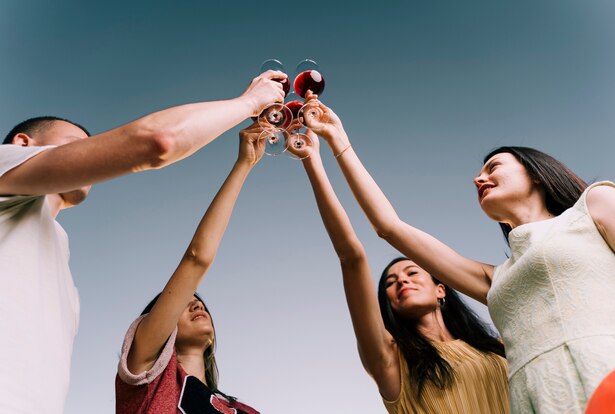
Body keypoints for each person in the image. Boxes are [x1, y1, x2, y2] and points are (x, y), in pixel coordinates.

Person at [300, 95, 615, 413]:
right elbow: (389, 227)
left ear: (535, 173)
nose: (478, 178)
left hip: (609, 378)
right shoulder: (497, 280)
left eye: (493, 167)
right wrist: (338, 142)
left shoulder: (593, 206)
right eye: (478, 174)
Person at [0, 72, 285, 414]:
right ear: (22, 144)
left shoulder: (59, 267)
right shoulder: (5, 166)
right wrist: (249, 103)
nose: (87, 153)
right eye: (75, 143)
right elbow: (158, 141)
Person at [288, 131, 508, 413]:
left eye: (413, 273)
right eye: (391, 283)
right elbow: (351, 257)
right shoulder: (391, 359)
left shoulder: (498, 347)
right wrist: (312, 160)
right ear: (389, 304)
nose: (402, 280)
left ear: (441, 288)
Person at [116, 123, 264, 413]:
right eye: (185, 302)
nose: (197, 306)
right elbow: (197, 258)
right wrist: (244, 164)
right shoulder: (148, 378)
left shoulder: (246, 411)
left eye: (198, 302)